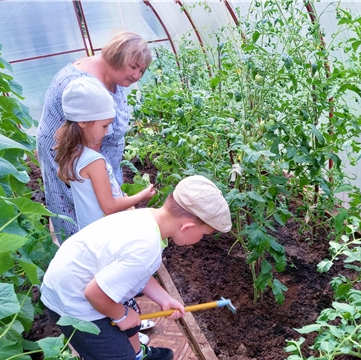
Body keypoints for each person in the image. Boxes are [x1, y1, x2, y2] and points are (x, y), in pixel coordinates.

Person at [40, 175, 232, 360]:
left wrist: (164, 298)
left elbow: (135, 273)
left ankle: (137, 352)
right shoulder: (146, 247)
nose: (201, 240)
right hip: (73, 304)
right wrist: (122, 315)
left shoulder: (146, 218)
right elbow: (94, 294)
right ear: (187, 227)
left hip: (69, 282)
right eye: (204, 234)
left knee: (130, 313)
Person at [36, 31, 152, 242]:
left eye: (142, 70)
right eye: (133, 67)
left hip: (96, 164)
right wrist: (139, 195)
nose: (137, 76)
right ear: (116, 58)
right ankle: (75, 250)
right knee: (76, 208)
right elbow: (106, 203)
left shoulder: (113, 77)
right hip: (74, 158)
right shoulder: (82, 87)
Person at [53, 77, 155, 231]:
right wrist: (142, 195)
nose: (107, 131)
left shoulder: (72, 153)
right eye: (104, 125)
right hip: (106, 230)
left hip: (89, 230)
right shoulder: (94, 162)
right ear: (83, 122)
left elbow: (62, 175)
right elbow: (109, 206)